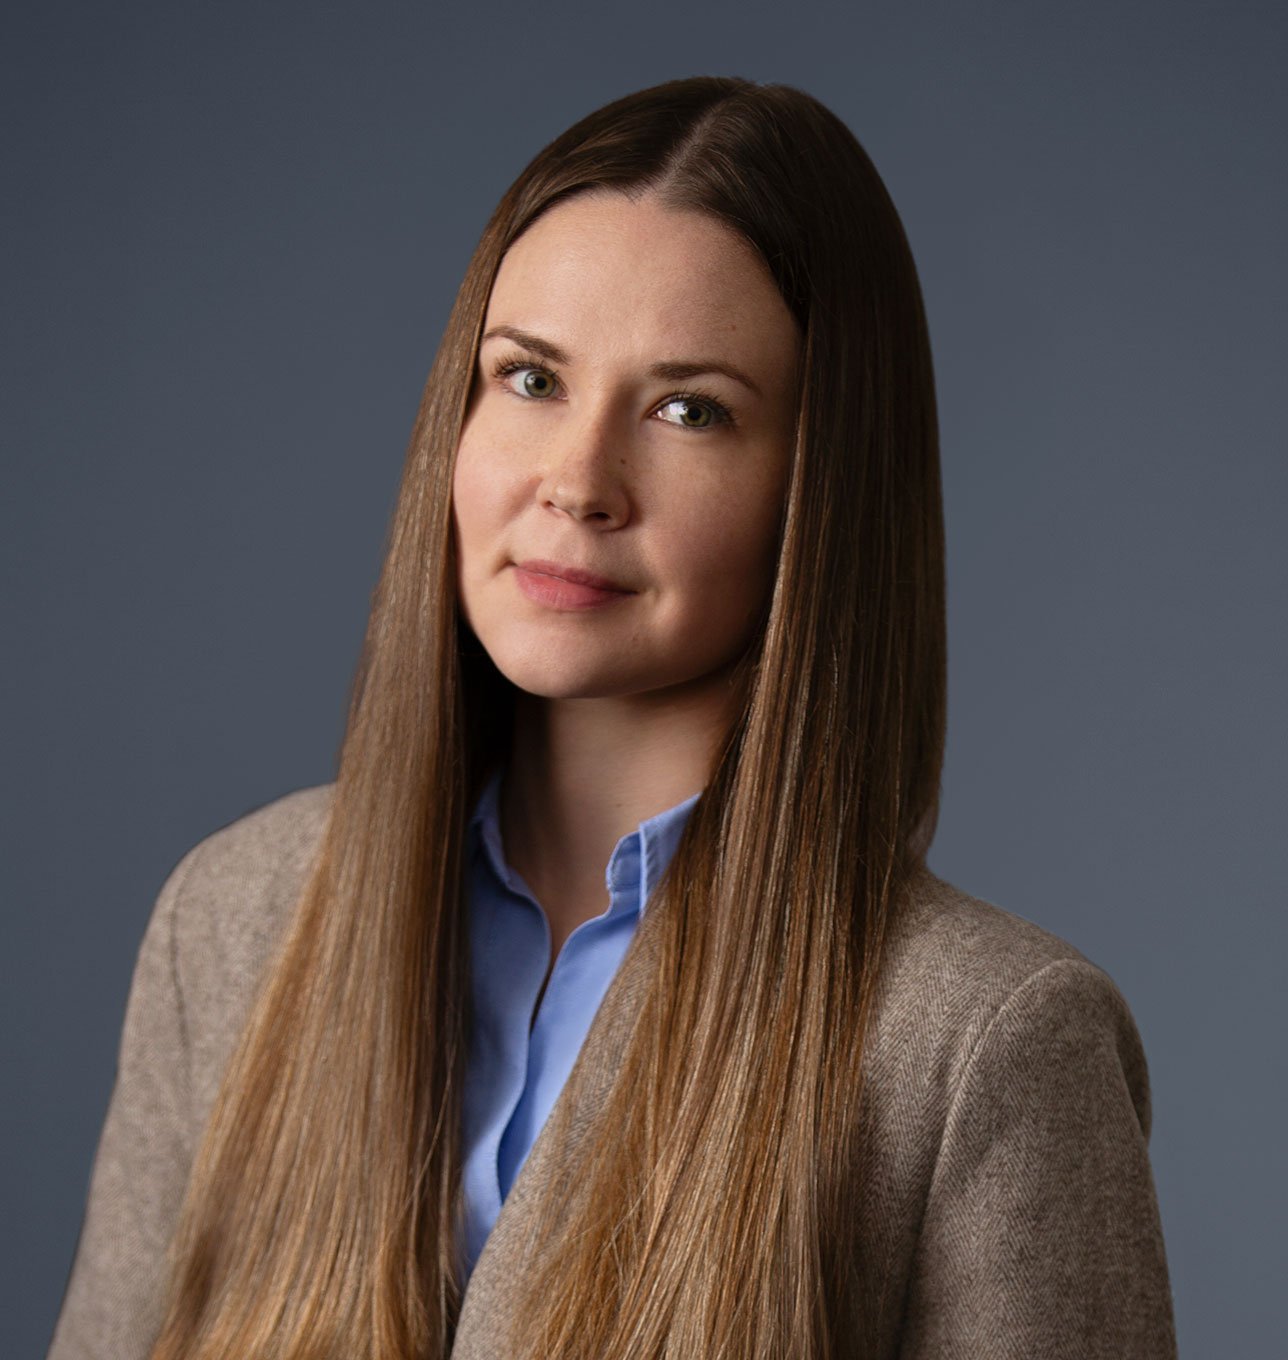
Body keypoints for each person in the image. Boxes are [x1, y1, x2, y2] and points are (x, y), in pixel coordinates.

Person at [48, 76, 1178, 1359]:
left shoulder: (981, 1040)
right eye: (529, 377)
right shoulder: (231, 920)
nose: (578, 482)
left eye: (689, 409)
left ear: (820, 488)